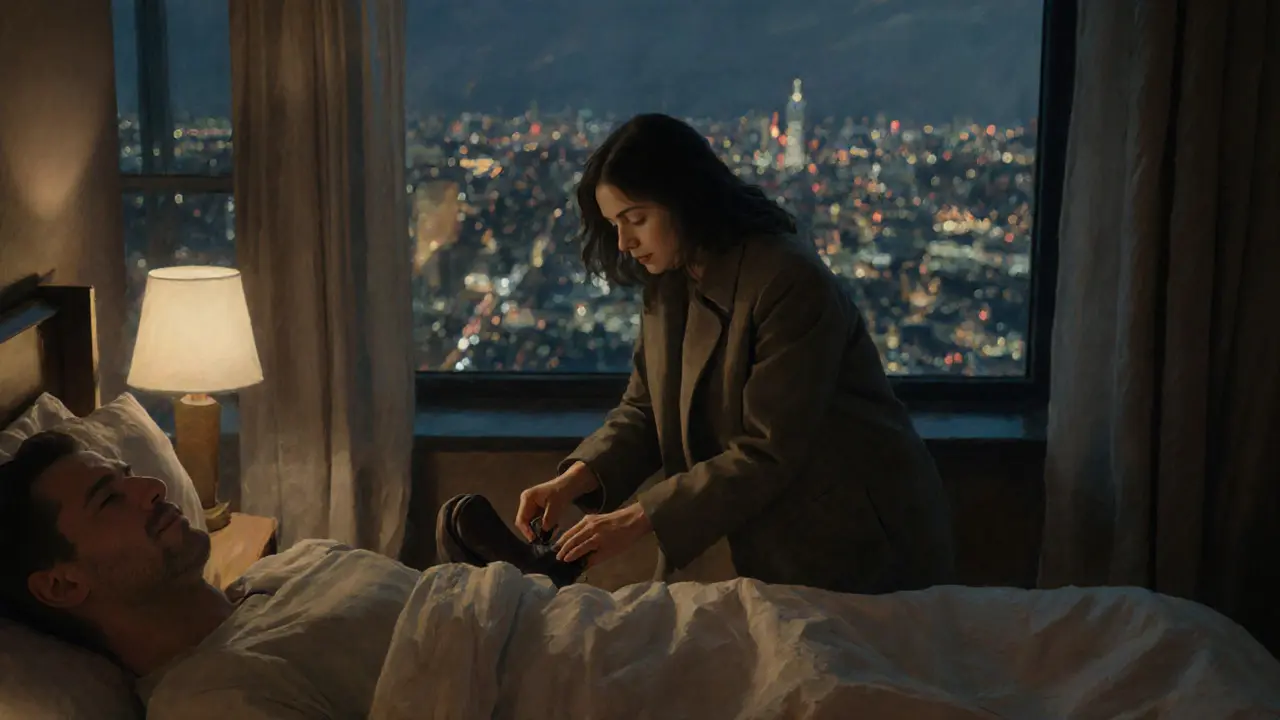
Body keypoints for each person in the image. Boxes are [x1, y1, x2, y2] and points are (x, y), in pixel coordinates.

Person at [516, 113, 955, 594]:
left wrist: (638, 519)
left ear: (683, 199)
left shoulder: (788, 282)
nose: (623, 243)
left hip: (850, 535)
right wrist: (574, 480)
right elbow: (645, 410)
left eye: (635, 219)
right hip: (767, 526)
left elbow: (770, 448)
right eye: (613, 225)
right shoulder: (670, 283)